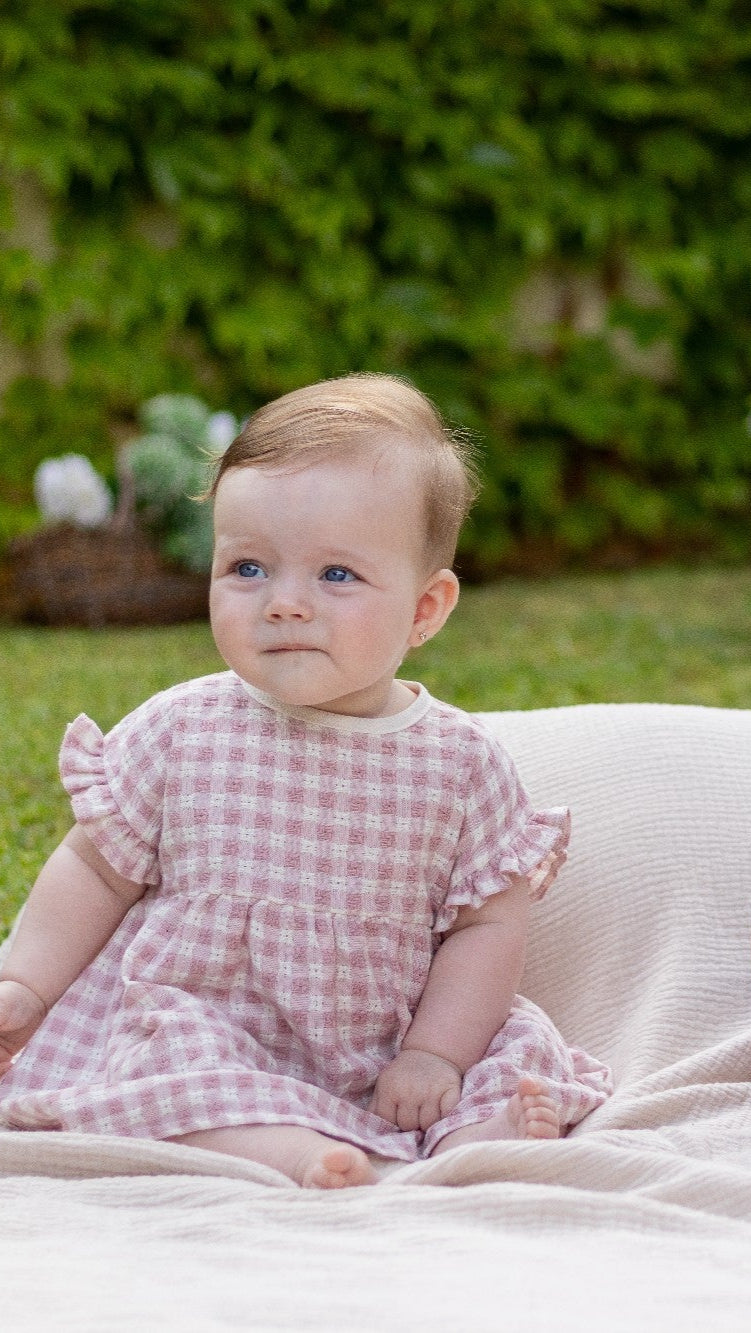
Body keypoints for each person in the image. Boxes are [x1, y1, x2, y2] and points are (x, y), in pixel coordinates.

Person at [0, 373, 612, 1187]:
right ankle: (275, 1148)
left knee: (515, 1047)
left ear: (425, 609)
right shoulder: (182, 728)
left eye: (335, 576)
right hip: (211, 1015)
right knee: (162, 1060)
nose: (284, 604)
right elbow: (92, 868)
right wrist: (25, 982)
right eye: (248, 568)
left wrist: (435, 1052)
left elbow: (485, 930)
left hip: (387, 1041)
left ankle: (477, 1137)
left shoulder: (461, 765)